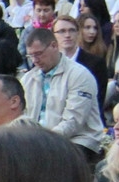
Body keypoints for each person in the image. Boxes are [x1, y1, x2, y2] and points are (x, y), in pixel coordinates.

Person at [20, 26, 106, 163]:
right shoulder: (28, 79)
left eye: (38, 54)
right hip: (38, 141)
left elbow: (73, 122)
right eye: (30, 56)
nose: (34, 60)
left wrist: (44, 142)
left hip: (78, 140)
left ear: (54, 46)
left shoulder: (79, 75)